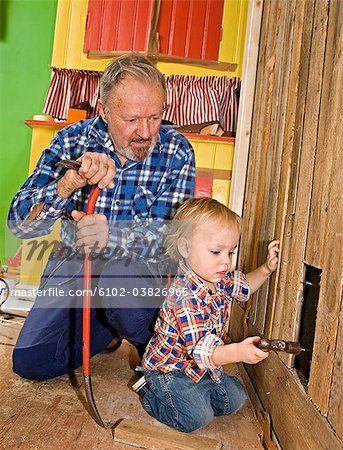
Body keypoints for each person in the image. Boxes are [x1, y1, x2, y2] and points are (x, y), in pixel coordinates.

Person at [7, 52, 195, 380]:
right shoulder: (71, 140)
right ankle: (107, 328)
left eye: (155, 116)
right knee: (31, 363)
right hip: (75, 268)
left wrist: (114, 236)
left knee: (119, 283)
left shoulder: (177, 150)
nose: (146, 132)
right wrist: (67, 184)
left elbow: (172, 237)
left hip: (138, 275)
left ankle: (151, 345)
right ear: (104, 109)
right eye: (132, 119)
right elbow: (21, 224)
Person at [134, 197, 279, 432]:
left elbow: (245, 285)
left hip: (199, 366)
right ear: (185, 247)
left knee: (236, 399)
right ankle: (150, 393)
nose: (226, 261)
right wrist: (237, 352)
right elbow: (205, 351)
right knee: (194, 418)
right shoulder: (183, 296)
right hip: (169, 370)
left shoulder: (217, 278)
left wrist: (266, 268)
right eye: (215, 251)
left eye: (231, 252)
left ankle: (197, 393)